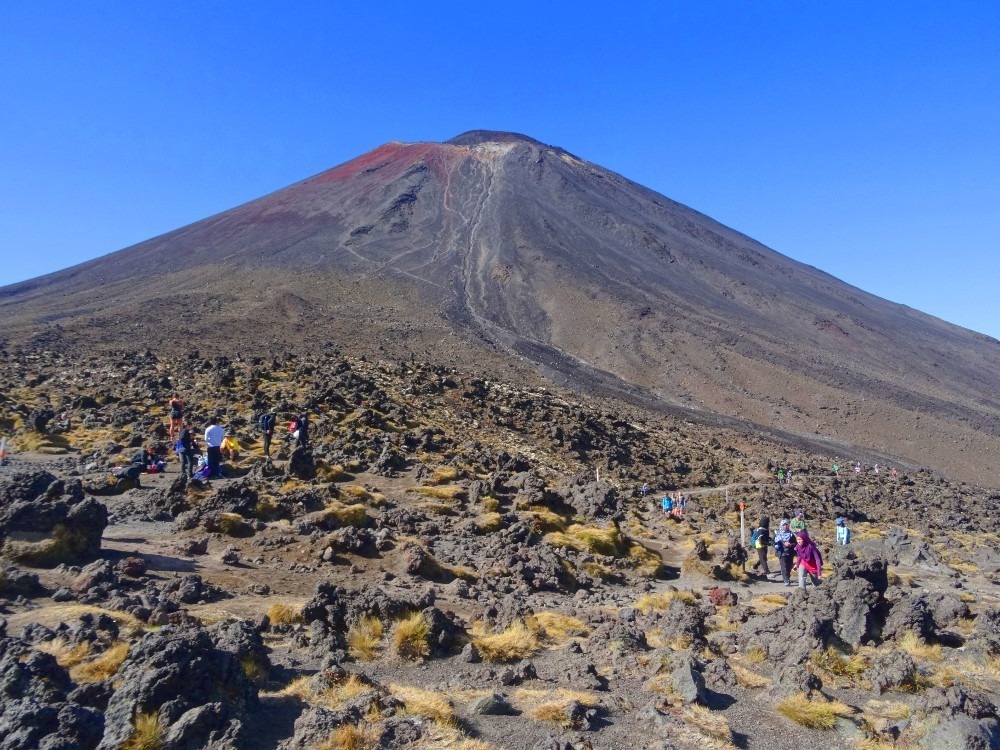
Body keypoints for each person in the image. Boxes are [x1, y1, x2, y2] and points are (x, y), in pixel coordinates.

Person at [773, 519, 797, 586]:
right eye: (783, 525)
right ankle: (786, 580)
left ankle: (787, 577)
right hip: (781, 552)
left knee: (789, 566)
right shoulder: (778, 534)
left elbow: (795, 543)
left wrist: (790, 544)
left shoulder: (791, 534)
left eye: (786, 524)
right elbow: (773, 542)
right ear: (781, 526)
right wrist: (776, 546)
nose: (785, 526)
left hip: (790, 552)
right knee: (784, 566)